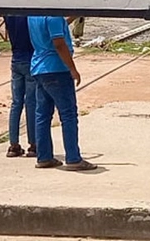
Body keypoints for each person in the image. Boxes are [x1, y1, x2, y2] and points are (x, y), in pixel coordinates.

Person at [27, 16, 96, 171]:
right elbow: (58, 43)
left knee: (42, 115)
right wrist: (72, 68)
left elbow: (57, 25)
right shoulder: (53, 16)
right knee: (68, 114)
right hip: (57, 68)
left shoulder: (33, 15)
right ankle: (73, 158)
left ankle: (44, 156)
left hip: (39, 67)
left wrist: (73, 15)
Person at [5, 15, 36, 158]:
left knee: (16, 103)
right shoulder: (31, 14)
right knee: (31, 102)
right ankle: (33, 144)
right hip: (30, 59)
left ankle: (13, 144)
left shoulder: (9, 15)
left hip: (15, 59)